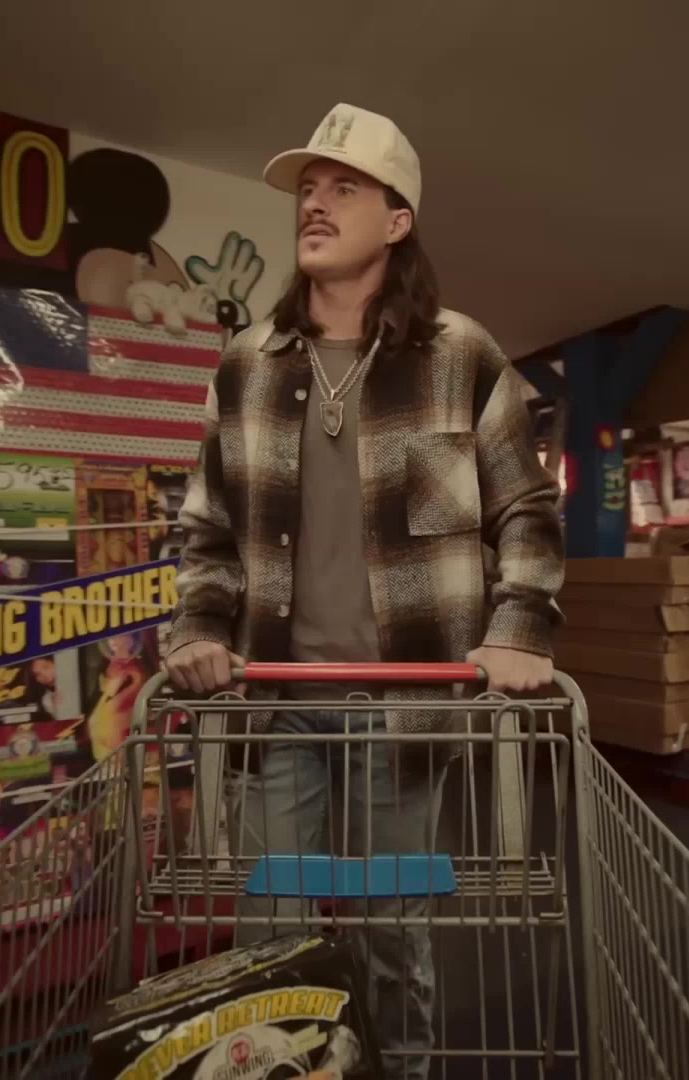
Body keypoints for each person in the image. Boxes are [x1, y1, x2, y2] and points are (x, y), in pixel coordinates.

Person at [161, 103, 564, 1079]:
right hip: (277, 704)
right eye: (308, 188)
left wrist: (519, 627)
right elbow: (208, 527)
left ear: (397, 220)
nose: (315, 202)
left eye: (344, 187)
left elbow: (527, 508)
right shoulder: (247, 366)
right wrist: (199, 628)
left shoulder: (462, 354)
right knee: (270, 933)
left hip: (408, 710)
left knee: (395, 933)